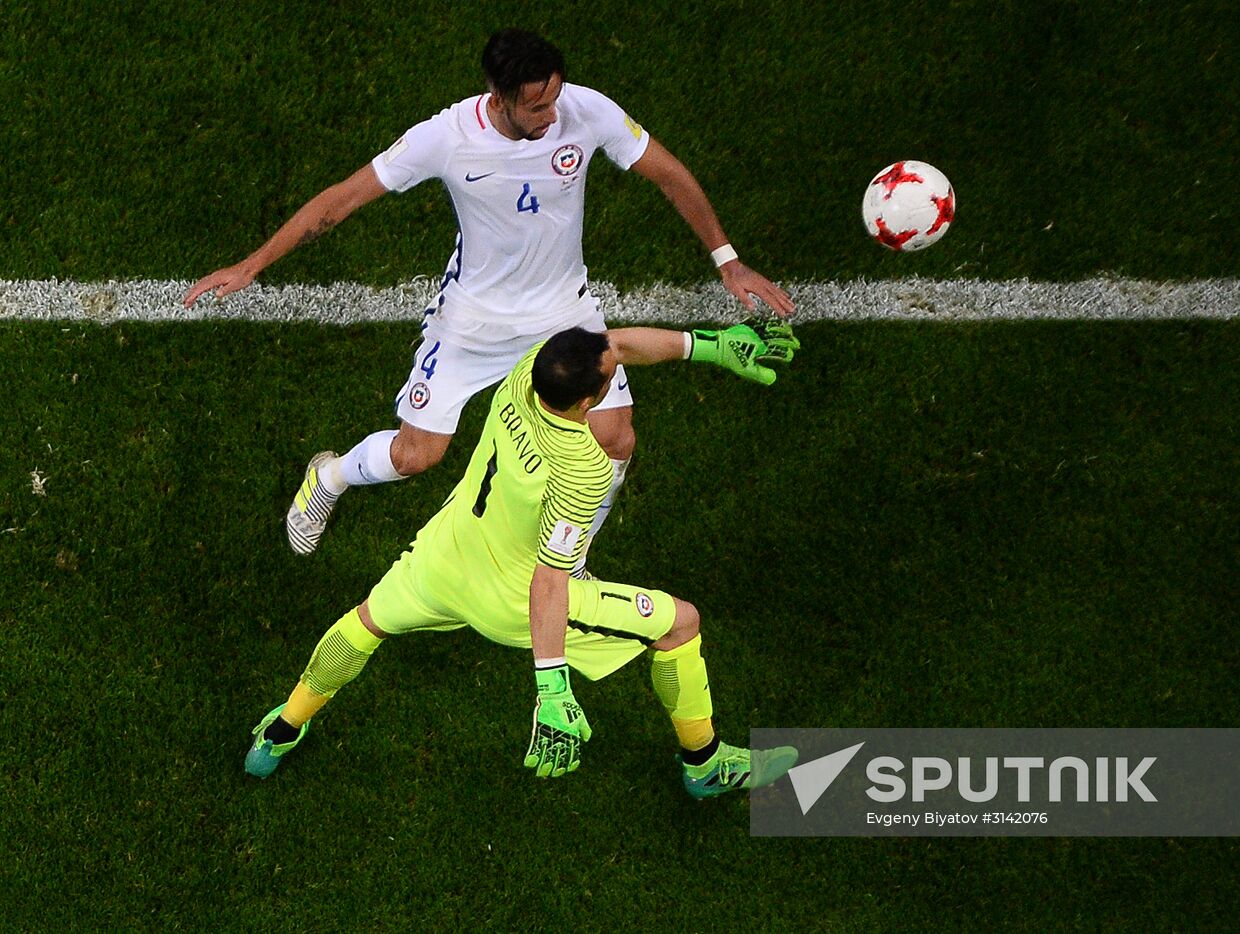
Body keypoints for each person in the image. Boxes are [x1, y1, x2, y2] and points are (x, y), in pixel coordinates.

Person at [183, 28, 796, 569]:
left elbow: (669, 173)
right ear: (497, 96)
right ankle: (330, 477)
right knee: (416, 455)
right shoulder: (445, 137)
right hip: (473, 321)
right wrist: (252, 264)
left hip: (565, 311)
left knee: (616, 439)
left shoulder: (587, 111)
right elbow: (340, 201)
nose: (552, 115)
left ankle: (568, 562)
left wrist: (728, 261)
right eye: (536, 106)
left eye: (555, 97)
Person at [244, 321, 800, 796]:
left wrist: (709, 345)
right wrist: (552, 688)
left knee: (363, 624)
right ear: (589, 402)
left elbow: (614, 346)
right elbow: (549, 578)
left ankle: (281, 729)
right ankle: (705, 765)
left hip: (442, 556)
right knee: (681, 623)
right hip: (513, 600)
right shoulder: (584, 466)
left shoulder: (529, 370)